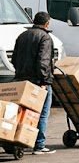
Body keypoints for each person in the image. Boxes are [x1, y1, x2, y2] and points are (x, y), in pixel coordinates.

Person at [12, 12, 55, 154]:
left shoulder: (22, 36)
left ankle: (21, 139)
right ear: (47, 23)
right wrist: (43, 81)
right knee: (42, 113)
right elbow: (43, 62)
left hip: (21, 80)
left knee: (23, 112)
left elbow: (14, 59)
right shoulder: (45, 37)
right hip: (38, 81)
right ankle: (39, 145)